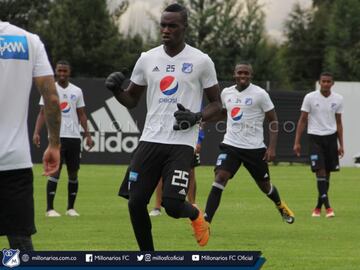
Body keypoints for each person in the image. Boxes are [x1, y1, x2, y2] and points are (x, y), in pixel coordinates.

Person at [105, 3, 221, 251]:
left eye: (172, 25)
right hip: (150, 140)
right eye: (163, 25)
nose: (166, 30)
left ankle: (195, 215)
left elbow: (218, 105)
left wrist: (196, 116)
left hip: (181, 144)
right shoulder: (147, 59)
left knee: (172, 206)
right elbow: (132, 100)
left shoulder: (201, 61)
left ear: (184, 27)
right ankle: (148, 258)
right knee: (135, 202)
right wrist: (116, 90)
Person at [204, 63, 295, 226]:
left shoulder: (260, 94)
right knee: (220, 177)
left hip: (254, 149)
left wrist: (272, 147)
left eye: (246, 73)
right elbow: (224, 114)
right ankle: (205, 222)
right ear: (234, 74)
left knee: (265, 187)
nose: (243, 75)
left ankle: (280, 205)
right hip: (230, 146)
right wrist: (203, 119)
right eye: (240, 72)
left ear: (251, 76)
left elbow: (273, 120)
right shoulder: (226, 93)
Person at [0, 21, 61, 251]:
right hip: (16, 162)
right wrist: (54, 144)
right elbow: (52, 99)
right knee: (20, 241)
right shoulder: (28, 40)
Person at [33, 60, 94, 217]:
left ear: (69, 72)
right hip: (56, 138)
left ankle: (70, 208)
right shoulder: (49, 89)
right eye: (59, 70)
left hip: (74, 137)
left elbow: (81, 114)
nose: (62, 74)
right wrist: (36, 132)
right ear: (55, 71)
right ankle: (49, 209)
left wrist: (87, 135)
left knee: (73, 173)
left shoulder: (77, 91)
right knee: (55, 172)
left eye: (64, 71)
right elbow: (42, 112)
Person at [293, 72, 344, 218]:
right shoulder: (310, 97)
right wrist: (297, 142)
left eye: (329, 82)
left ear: (332, 84)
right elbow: (302, 120)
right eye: (323, 81)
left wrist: (341, 144)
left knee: (327, 174)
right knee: (320, 171)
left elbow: (339, 122)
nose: (326, 84)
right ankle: (328, 207)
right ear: (319, 82)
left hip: (331, 138)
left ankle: (317, 207)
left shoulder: (338, 99)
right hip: (315, 138)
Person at [149, 125, 204, 216]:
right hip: (166, 141)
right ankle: (157, 207)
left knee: (190, 171)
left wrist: (198, 140)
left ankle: (192, 205)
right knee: (161, 172)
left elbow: (201, 121)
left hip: (188, 142)